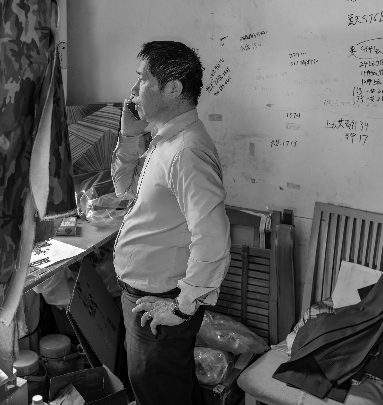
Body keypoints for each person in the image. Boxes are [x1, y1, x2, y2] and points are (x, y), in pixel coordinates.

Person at [111, 41, 231, 405]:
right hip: (146, 295)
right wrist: (129, 135)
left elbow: (213, 237)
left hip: (159, 300)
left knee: (158, 391)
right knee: (166, 386)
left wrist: (182, 306)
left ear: (173, 88)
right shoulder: (164, 140)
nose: (133, 91)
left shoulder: (186, 151)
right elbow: (124, 189)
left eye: (142, 80)